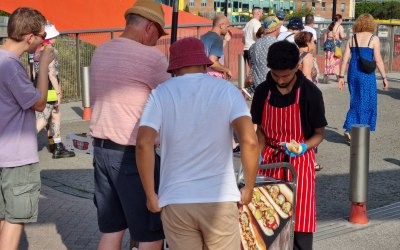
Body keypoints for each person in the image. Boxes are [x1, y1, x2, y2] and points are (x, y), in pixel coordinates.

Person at [136, 37, 259, 250]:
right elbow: (249, 141)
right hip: (219, 199)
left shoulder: (160, 94)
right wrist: (248, 187)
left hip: (176, 199)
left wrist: (150, 195)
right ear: (204, 64)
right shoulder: (227, 90)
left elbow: (143, 144)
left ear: (174, 68)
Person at [89, 1, 170, 249]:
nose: (157, 41)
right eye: (158, 34)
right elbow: (174, 98)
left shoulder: (100, 51)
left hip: (102, 152)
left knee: (113, 229)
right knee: (150, 233)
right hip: (133, 155)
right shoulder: (152, 58)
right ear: (149, 27)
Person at [250, 41, 327, 250]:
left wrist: (303, 146)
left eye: (286, 75)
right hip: (270, 163)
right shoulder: (262, 92)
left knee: (300, 223)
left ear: (296, 67)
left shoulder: (311, 93)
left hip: (300, 163)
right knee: (268, 223)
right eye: (276, 75)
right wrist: (257, 155)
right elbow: (260, 131)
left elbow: (319, 134)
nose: (281, 81)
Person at [0, 7, 54, 250]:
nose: (44, 40)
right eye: (42, 36)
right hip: (16, 157)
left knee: (3, 217)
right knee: (15, 219)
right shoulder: (10, 66)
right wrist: (43, 64)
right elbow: (39, 101)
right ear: (29, 37)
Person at [338, 13, 389, 142]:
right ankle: (353, 130)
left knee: (355, 100)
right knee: (368, 101)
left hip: (353, 72)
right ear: (371, 24)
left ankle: (352, 129)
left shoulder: (352, 38)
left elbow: (345, 59)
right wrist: (384, 77)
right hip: (366, 74)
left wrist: (341, 77)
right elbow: (378, 60)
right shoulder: (374, 38)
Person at [34, 22, 75, 159]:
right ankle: (21, 143)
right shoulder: (51, 50)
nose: (57, 38)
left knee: (53, 117)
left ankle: (56, 145)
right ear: (51, 37)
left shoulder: (36, 50)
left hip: (38, 87)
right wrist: (58, 92)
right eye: (55, 36)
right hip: (50, 89)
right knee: (44, 120)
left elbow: (33, 73)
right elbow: (52, 73)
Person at [249, 16, 280, 89]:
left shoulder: (254, 45)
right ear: (277, 28)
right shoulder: (277, 45)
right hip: (273, 86)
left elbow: (251, 65)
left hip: (258, 86)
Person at [200, 14, 232, 79]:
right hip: (214, 79)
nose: (228, 29)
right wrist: (227, 69)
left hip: (203, 76)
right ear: (221, 26)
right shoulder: (217, 39)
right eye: (227, 26)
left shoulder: (203, 37)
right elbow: (212, 62)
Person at [323, 14, 346, 84]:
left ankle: (326, 76)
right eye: (341, 19)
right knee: (336, 61)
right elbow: (341, 36)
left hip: (328, 44)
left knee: (328, 60)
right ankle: (337, 76)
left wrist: (325, 43)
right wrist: (345, 35)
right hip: (335, 45)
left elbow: (325, 34)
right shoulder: (340, 27)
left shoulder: (330, 25)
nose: (342, 20)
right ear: (339, 20)